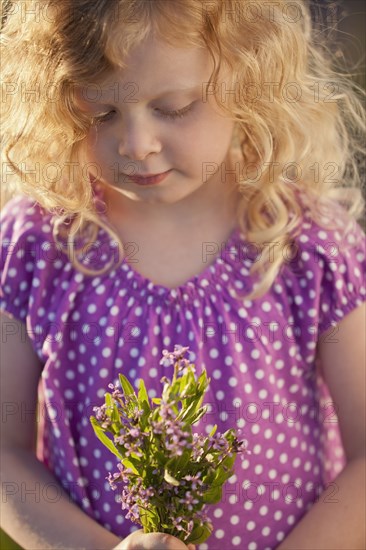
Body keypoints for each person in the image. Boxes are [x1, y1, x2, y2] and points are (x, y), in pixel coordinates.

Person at [1, 1, 365, 549]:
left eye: (174, 107)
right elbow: (5, 454)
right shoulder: (42, 243)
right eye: (101, 114)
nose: (137, 144)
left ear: (248, 82)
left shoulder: (304, 245)